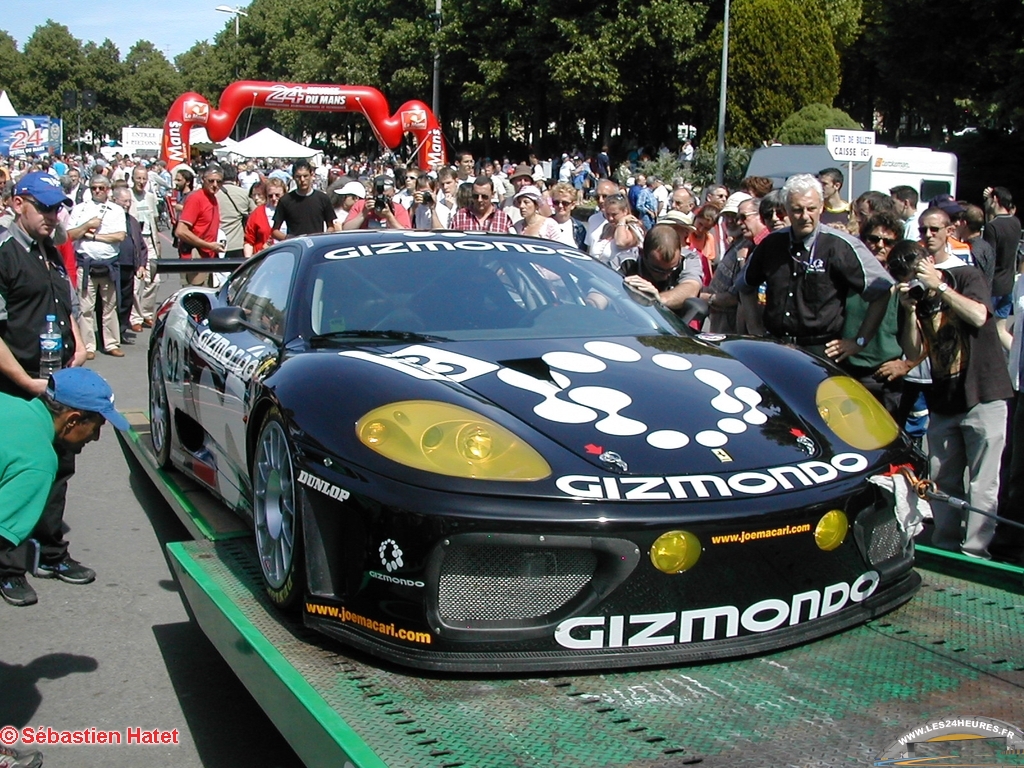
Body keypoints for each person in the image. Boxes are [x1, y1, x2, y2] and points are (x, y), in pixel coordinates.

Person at [894, 216, 1013, 559]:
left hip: (984, 393)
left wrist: (941, 287)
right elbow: (915, 352)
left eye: (935, 229)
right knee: (942, 480)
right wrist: (908, 311)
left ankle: (976, 551)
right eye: (923, 230)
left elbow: (978, 316)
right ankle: (946, 548)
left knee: (982, 483)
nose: (928, 235)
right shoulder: (918, 294)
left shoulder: (966, 275)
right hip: (944, 398)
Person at [0, 174, 93, 612]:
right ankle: (9, 566)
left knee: (58, 469)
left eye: (58, 208)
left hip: (54, 381)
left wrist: (77, 342)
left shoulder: (51, 251)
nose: (53, 216)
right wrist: (24, 381)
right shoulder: (5, 252)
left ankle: (51, 552)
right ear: (20, 203)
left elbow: (63, 306)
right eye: (44, 207)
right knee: (20, 476)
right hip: (17, 385)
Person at [0, 368, 129, 607]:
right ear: (73, 420)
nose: (96, 437)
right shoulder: (38, 462)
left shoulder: (7, 402)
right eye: (96, 426)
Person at [738, 174, 894, 361]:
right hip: (775, 347)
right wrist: (756, 330)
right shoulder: (771, 243)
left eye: (811, 209)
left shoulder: (840, 246)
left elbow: (883, 290)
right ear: (786, 209)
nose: (805, 216)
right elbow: (744, 286)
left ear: (821, 207)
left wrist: (860, 341)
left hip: (820, 352)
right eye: (797, 210)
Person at [838, 210, 908, 415]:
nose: (880, 246)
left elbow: (931, 333)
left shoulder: (903, 285)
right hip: (845, 371)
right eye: (874, 239)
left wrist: (907, 363)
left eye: (888, 242)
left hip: (884, 378)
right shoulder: (846, 278)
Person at [67, 175, 127, 358]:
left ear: (108, 189)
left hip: (109, 264)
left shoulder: (116, 210)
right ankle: (88, 345)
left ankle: (111, 343)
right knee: (86, 308)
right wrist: (88, 225)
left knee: (110, 307)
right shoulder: (80, 209)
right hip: (87, 264)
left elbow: (119, 236)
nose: (98, 191)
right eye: (94, 188)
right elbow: (71, 234)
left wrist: (93, 236)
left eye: (101, 188)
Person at [705, 197, 768, 333]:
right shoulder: (743, 243)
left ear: (761, 215)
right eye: (727, 216)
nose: (735, 222)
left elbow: (739, 294)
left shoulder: (760, 247)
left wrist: (707, 298)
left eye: (742, 217)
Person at [619, 223, 703, 314]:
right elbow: (603, 296)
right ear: (642, 253)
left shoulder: (688, 258)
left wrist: (658, 299)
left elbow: (691, 287)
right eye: (658, 270)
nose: (666, 276)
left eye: (672, 269)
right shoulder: (626, 262)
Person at [982, 185, 1021, 350]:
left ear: (995, 200)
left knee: (983, 330)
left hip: (993, 285)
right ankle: (1018, 358)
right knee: (1000, 330)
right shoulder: (1016, 222)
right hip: (1008, 283)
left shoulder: (992, 227)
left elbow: (988, 257)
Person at [175, 164, 225, 287]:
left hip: (208, 257)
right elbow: (181, 231)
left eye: (218, 182)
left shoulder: (212, 198)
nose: (215, 185)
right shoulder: (196, 198)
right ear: (203, 180)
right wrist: (207, 245)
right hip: (195, 257)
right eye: (211, 181)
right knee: (195, 300)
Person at [110, 187, 147, 346]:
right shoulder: (109, 218)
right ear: (115, 200)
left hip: (129, 266)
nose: (127, 204)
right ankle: (110, 334)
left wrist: (141, 265)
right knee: (112, 302)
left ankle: (122, 329)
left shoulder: (132, 221)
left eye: (129, 201)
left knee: (126, 300)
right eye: (124, 201)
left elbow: (141, 245)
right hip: (114, 265)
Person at [127, 165, 161, 332]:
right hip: (134, 241)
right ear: (132, 178)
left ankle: (147, 313)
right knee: (136, 283)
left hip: (149, 240)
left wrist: (158, 243)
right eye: (138, 178)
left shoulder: (149, 197)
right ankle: (135, 317)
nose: (141, 182)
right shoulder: (129, 196)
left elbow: (154, 221)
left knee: (154, 280)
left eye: (144, 179)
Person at [272, 159, 339, 240]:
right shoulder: (285, 200)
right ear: (293, 177)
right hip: (296, 247)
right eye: (298, 177)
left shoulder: (322, 198)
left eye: (305, 176)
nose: (302, 180)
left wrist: (323, 238)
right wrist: (288, 239)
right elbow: (274, 231)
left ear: (311, 175)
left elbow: (331, 226)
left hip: (317, 245)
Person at [588, 193, 643, 270]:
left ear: (625, 211)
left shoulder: (632, 229)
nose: (610, 218)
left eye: (614, 214)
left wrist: (622, 221)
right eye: (607, 214)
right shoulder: (606, 227)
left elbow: (620, 242)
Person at [343, 175, 411, 230]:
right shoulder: (361, 205)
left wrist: (389, 216)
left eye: (387, 196)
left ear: (394, 192)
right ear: (373, 192)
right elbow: (346, 230)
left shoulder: (399, 209)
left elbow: (405, 233)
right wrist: (363, 214)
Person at [215, 164, 254, 260]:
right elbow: (256, 214)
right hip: (238, 243)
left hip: (216, 242)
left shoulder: (214, 194)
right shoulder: (244, 193)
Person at [448, 177, 513, 233]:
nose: (479, 200)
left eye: (484, 196)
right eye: (475, 196)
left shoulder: (503, 219)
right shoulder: (460, 216)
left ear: (493, 194)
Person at [243, 179, 284, 257]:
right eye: (270, 196)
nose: (274, 198)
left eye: (277, 195)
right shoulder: (257, 213)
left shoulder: (291, 211)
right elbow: (249, 241)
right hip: (264, 258)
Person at [548, 182, 585, 248]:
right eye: (556, 202)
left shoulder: (579, 228)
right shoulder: (544, 224)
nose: (560, 206)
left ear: (573, 205)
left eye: (565, 203)